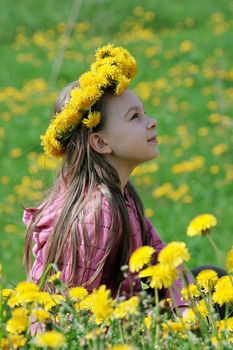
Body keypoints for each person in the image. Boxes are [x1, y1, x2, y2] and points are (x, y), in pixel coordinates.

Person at [22, 44, 222, 314]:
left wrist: (185, 308)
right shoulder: (97, 212)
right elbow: (73, 313)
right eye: (135, 117)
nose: (151, 122)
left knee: (213, 278)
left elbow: (163, 257)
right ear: (101, 142)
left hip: (127, 314)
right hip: (102, 332)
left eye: (144, 112)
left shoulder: (123, 194)